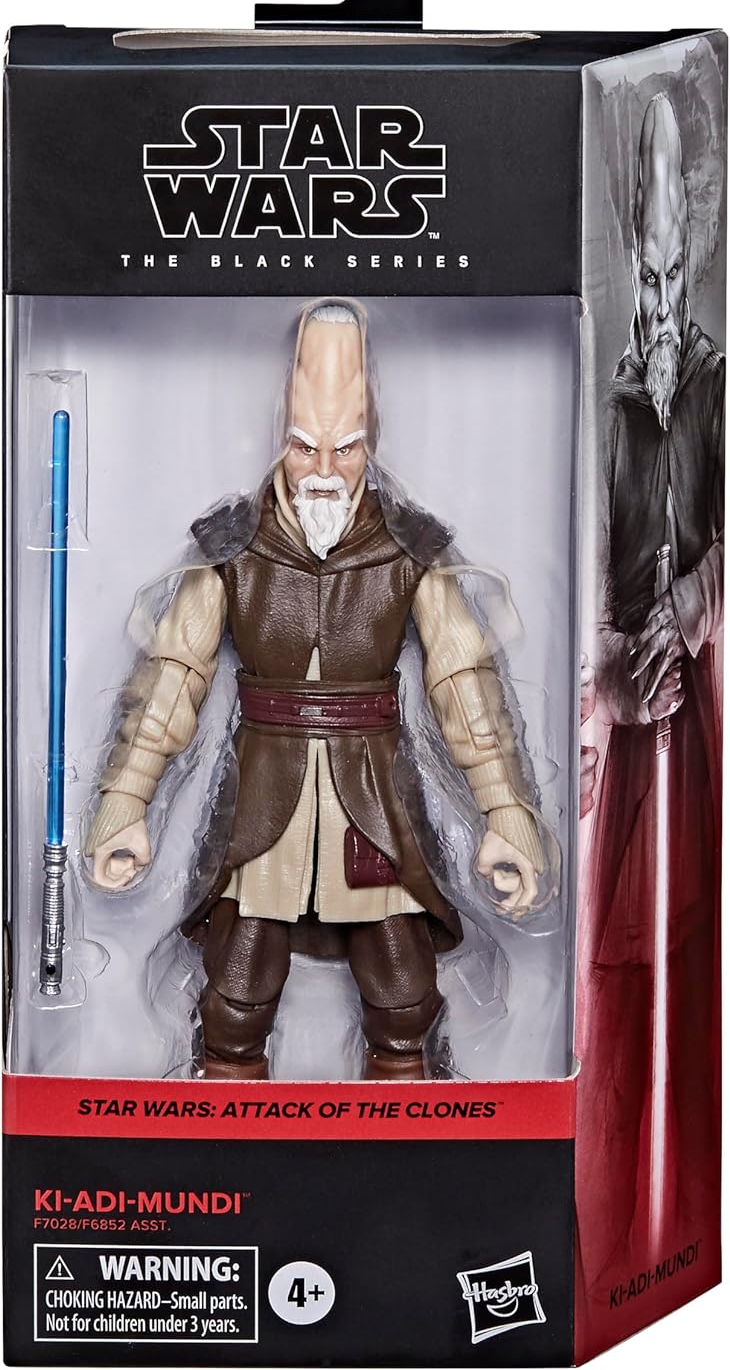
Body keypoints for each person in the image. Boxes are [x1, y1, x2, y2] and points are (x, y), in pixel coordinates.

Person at [85, 298, 545, 1080]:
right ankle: (230, 1130)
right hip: (264, 798)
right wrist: (126, 801)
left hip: (374, 797)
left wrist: (506, 814)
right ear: (281, 437)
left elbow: (464, 684)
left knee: (403, 998)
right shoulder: (232, 545)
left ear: (373, 441)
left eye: (347, 447)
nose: (325, 470)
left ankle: (407, 1139)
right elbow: (171, 678)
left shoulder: (411, 548)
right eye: (304, 447)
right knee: (234, 997)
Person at [577, 95, 724, 1280]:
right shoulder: (608, 395)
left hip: (699, 711)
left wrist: (692, 607)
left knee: (688, 950)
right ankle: (608, 1237)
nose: (662, 284)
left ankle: (667, 1233)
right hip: (620, 723)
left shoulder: (716, 383)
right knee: (611, 969)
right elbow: (575, 556)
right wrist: (614, 672)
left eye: (678, 261)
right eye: (648, 257)